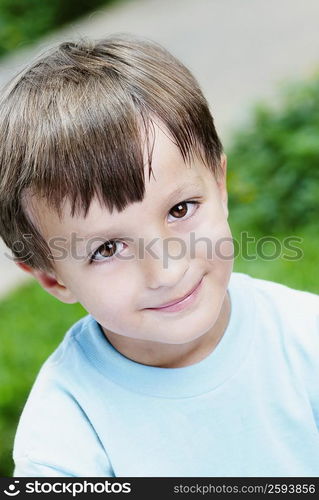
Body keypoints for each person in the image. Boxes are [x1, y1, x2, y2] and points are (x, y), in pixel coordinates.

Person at [0, 34, 318, 478]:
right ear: (54, 278)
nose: (166, 271)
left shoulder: (306, 340)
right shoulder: (66, 439)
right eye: (107, 248)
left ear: (221, 188)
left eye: (180, 209)